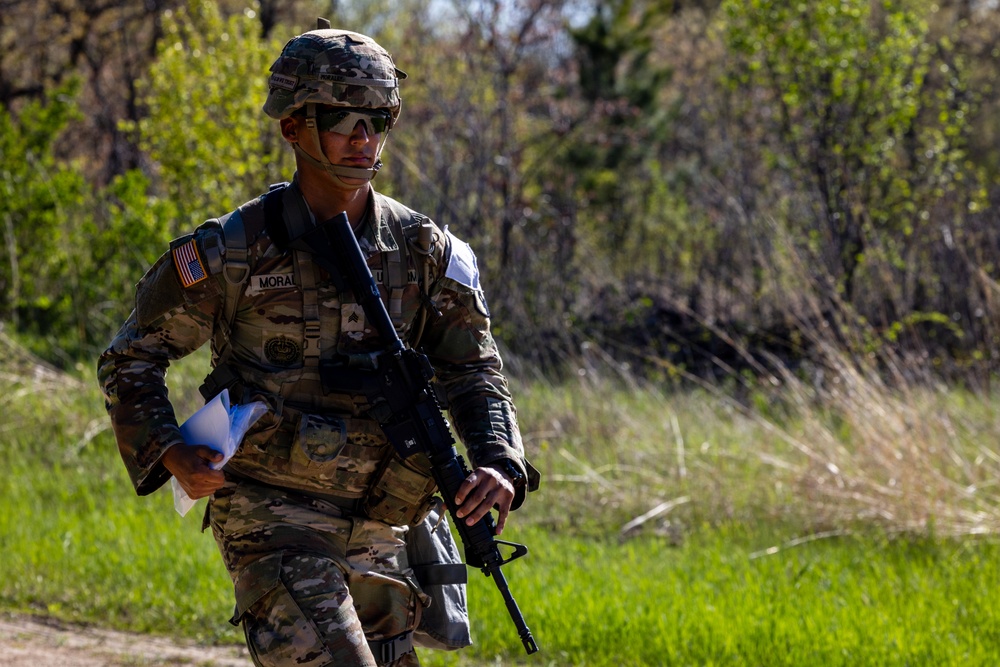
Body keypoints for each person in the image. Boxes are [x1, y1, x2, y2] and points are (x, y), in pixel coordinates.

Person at [98, 20, 538, 667]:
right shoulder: (232, 250)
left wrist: (499, 461)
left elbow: (474, 371)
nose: (364, 137)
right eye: (341, 117)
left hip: (381, 524)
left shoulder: (427, 254)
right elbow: (130, 356)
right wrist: (170, 450)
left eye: (378, 118)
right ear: (293, 127)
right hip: (271, 515)